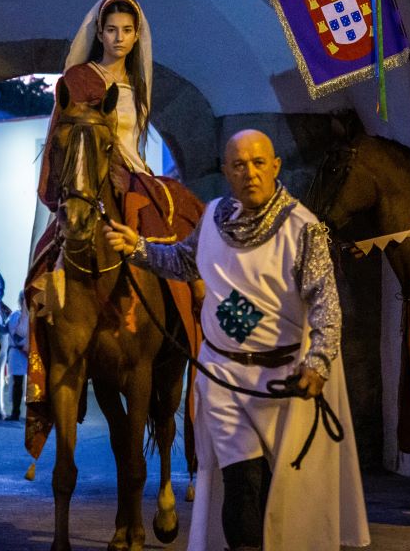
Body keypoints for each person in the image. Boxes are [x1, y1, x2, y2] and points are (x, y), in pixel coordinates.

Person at [105, 130, 368, 551]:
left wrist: (318, 361)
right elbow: (183, 261)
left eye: (259, 162)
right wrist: (137, 248)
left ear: (276, 166)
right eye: (240, 165)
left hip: (283, 381)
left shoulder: (304, 228)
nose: (250, 173)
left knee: (278, 493)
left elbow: (325, 302)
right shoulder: (211, 218)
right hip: (224, 376)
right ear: (226, 171)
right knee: (240, 481)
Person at [24, 0, 204, 459]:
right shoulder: (80, 79)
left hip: (134, 173)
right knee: (47, 260)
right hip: (94, 176)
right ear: (98, 34)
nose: (119, 39)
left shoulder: (139, 86)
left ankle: (186, 315)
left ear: (136, 35)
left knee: (179, 213)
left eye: (127, 31)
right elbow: (69, 140)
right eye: (111, 31)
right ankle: (50, 341)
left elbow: (134, 141)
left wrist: (140, 177)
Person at [5, 292, 29, 421]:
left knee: (34, 385)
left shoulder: (34, 315)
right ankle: (15, 412)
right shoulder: (15, 315)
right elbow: (15, 335)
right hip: (18, 353)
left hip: (31, 353)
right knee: (18, 384)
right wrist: (25, 349)